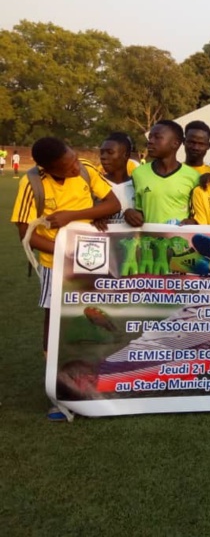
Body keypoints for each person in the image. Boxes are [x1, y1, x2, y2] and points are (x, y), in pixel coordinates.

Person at [10, 136, 120, 420]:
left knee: (95, 316)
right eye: (66, 166)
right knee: (56, 322)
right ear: (48, 169)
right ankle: (59, 391)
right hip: (55, 265)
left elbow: (112, 204)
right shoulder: (32, 183)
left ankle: (100, 380)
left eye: (73, 159)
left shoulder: (84, 168)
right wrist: (65, 253)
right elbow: (26, 235)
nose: (74, 167)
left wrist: (75, 215)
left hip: (92, 261)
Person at [125, 120, 200, 226]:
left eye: (157, 137)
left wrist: (193, 222)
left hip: (179, 241)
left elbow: (198, 215)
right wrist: (130, 214)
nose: (150, 141)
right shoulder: (138, 174)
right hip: (149, 241)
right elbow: (139, 209)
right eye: (150, 137)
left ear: (175, 144)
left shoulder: (193, 177)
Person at [98, 132, 136, 225]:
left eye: (110, 152)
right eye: (102, 153)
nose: (103, 157)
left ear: (126, 155)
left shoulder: (138, 186)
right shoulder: (95, 185)